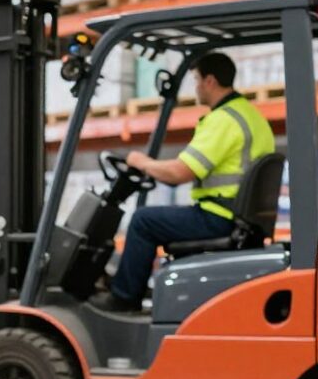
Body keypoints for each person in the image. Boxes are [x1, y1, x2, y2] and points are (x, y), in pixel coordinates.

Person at [88, 52, 276, 312]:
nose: (196, 87)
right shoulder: (251, 116)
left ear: (209, 81)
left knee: (143, 221)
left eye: (197, 80)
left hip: (220, 217)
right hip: (239, 218)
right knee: (150, 218)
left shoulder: (224, 119)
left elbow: (178, 173)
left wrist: (141, 162)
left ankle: (123, 298)